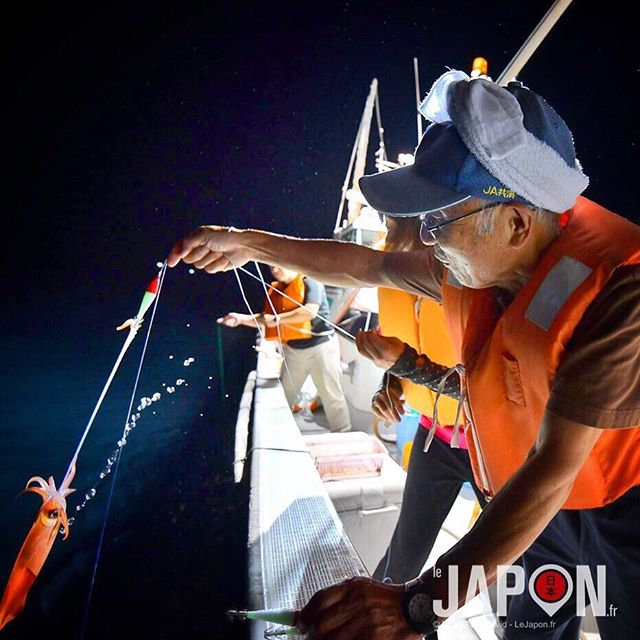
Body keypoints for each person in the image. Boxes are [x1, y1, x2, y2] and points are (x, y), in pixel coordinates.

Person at [167, 71, 640, 639]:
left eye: (437, 221)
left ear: (515, 223)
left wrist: (416, 605)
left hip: (620, 515)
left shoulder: (620, 294)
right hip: (530, 514)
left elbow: (555, 467)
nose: (425, 239)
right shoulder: (481, 264)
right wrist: (246, 242)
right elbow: (361, 265)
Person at [374, 213, 486, 584]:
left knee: (510, 561)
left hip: (489, 447)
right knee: (403, 556)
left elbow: (487, 386)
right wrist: (389, 385)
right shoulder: (395, 271)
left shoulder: (473, 271)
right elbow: (407, 341)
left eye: (391, 220)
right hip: (433, 435)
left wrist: (409, 368)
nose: (386, 229)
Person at [219, 265, 351, 433]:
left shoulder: (310, 280)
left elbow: (310, 312)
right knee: (283, 395)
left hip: (321, 348)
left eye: (278, 265)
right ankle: (278, 433)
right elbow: (266, 319)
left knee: (332, 396)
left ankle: (343, 433)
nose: (274, 269)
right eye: (271, 267)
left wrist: (278, 318)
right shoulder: (279, 290)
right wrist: (240, 319)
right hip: (294, 350)